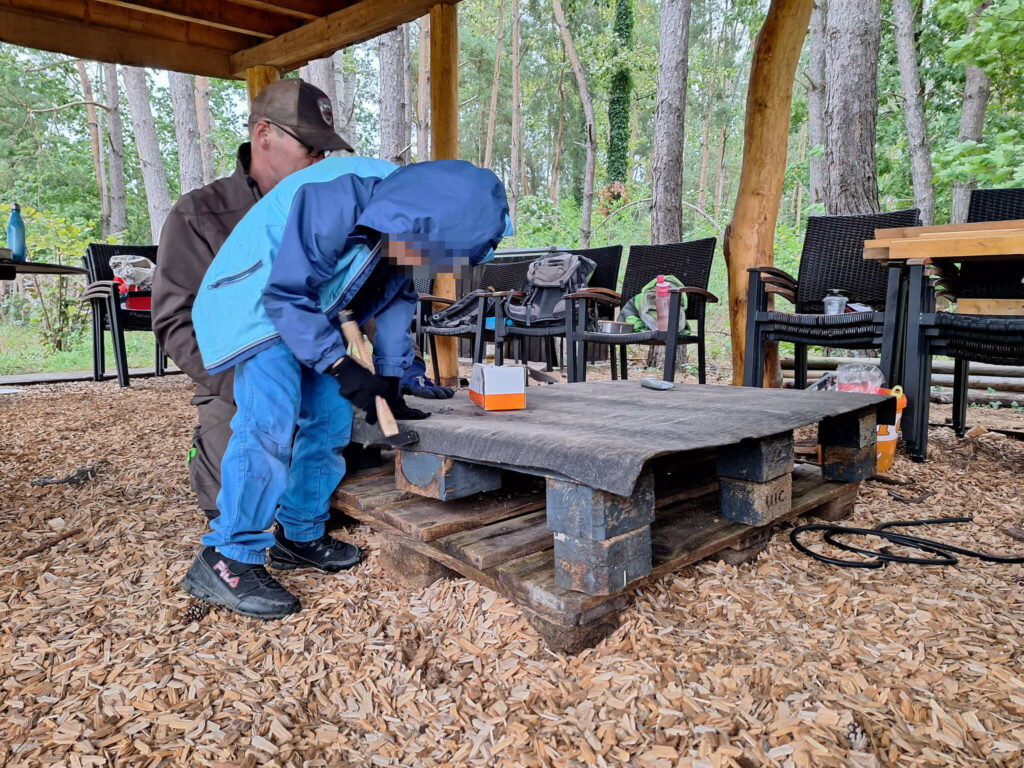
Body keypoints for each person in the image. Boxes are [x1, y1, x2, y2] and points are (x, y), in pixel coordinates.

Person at [180, 157, 511, 619]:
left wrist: (392, 384)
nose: (433, 265)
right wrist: (341, 365)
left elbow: (399, 300)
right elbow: (284, 293)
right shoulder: (334, 201)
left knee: (332, 417)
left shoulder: (414, 228)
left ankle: (299, 535)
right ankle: (228, 557)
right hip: (257, 302)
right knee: (269, 423)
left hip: (311, 308)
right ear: (414, 224)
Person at [153, 79, 450, 523]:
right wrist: (257, 389)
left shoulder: (336, 204)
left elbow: (361, 298)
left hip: (322, 366)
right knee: (232, 494)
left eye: (326, 150)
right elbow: (175, 322)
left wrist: (392, 368)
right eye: (310, 147)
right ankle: (234, 536)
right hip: (240, 379)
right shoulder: (198, 213)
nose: (320, 159)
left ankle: (305, 521)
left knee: (350, 466)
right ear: (263, 134)